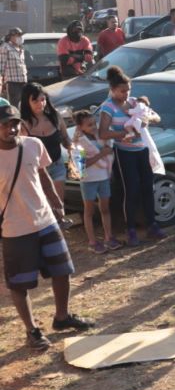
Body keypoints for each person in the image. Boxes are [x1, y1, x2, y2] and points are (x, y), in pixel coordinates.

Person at [0, 104, 95, 350]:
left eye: (14, 123)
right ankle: (32, 330)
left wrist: (56, 203)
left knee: (62, 270)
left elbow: (43, 175)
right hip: (14, 230)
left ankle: (62, 318)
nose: (11, 128)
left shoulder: (32, 145)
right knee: (19, 284)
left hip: (46, 221)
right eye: (4, 124)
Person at [98, 65, 165, 246]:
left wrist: (144, 120)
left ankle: (152, 224)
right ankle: (131, 229)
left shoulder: (135, 103)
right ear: (112, 90)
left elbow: (155, 117)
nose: (126, 94)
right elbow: (103, 133)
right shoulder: (108, 107)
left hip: (142, 150)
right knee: (131, 190)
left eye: (128, 90)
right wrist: (123, 134)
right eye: (122, 91)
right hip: (124, 153)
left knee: (147, 187)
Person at [71, 109, 118, 253]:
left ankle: (108, 237)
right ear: (80, 127)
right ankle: (92, 241)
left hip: (103, 177)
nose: (94, 127)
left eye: (94, 123)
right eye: (89, 125)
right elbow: (81, 165)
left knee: (105, 208)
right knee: (89, 211)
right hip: (89, 180)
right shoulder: (78, 143)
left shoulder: (99, 137)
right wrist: (101, 154)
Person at [19, 84, 72, 209]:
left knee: (58, 204)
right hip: (37, 171)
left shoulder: (55, 116)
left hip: (57, 165)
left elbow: (65, 138)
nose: (40, 104)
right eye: (35, 100)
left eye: (43, 100)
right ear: (27, 101)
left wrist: (73, 148)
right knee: (44, 207)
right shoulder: (23, 125)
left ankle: (60, 226)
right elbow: (21, 152)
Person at [2, 28, 27, 106]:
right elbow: (1, 65)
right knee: (14, 104)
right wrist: (2, 82)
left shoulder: (21, 48)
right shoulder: (5, 47)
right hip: (12, 82)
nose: (20, 37)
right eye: (18, 35)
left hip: (23, 81)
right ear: (11, 37)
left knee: (24, 104)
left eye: (21, 35)